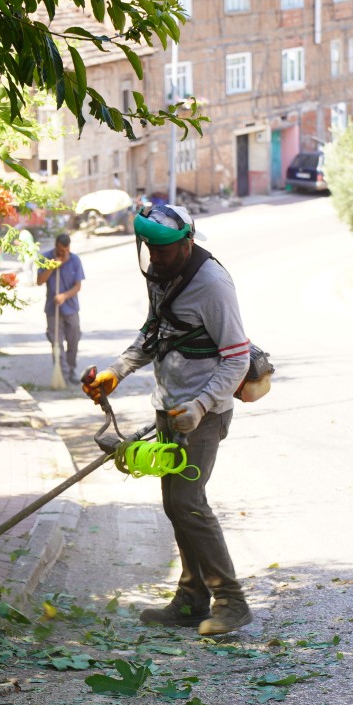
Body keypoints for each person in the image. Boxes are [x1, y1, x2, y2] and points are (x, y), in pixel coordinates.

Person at [82, 205, 253, 635]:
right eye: (149, 251)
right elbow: (156, 330)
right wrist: (117, 370)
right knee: (175, 505)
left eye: (164, 252)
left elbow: (237, 358)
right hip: (170, 408)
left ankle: (231, 600)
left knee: (187, 503)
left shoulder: (212, 284)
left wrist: (200, 406)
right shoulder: (163, 275)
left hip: (203, 413)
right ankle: (192, 598)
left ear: (187, 243)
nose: (156, 260)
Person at [37, 233, 84, 384]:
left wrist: (64, 296)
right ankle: (62, 375)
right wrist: (51, 267)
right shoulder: (45, 257)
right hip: (53, 309)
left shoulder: (75, 260)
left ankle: (71, 371)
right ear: (56, 246)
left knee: (74, 340)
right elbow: (39, 281)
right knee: (56, 342)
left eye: (66, 250)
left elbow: (78, 286)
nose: (64, 254)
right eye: (61, 250)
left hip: (71, 308)